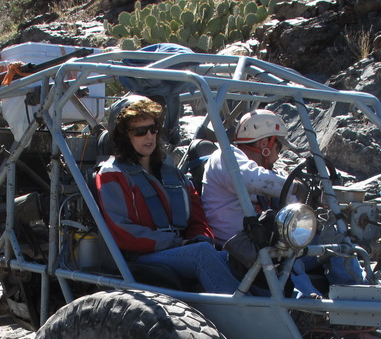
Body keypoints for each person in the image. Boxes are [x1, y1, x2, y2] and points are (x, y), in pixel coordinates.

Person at [94, 96, 242, 294]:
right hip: (140, 256)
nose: (149, 136)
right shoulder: (112, 174)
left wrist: (200, 238)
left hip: (180, 249)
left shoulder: (174, 175)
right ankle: (242, 310)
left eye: (153, 129)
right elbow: (122, 231)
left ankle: (273, 306)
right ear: (123, 136)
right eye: (140, 131)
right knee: (201, 254)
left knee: (235, 258)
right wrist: (178, 243)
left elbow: (198, 219)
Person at [201, 108, 296, 247]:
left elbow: (290, 198)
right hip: (231, 250)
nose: (278, 156)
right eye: (278, 148)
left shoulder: (264, 171)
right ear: (264, 144)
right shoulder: (225, 157)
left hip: (259, 245)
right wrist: (295, 187)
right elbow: (254, 180)